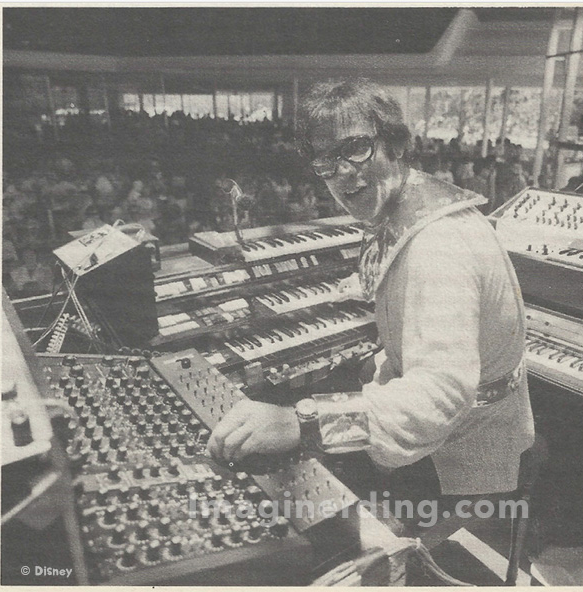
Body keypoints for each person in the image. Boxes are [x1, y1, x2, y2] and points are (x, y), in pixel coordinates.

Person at [208, 79, 534, 514]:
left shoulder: (439, 245)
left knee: (310, 508)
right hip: (450, 417)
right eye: (325, 160)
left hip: (463, 446)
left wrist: (301, 424)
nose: (341, 173)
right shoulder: (403, 202)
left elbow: (439, 395)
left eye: (356, 148)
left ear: (396, 144)